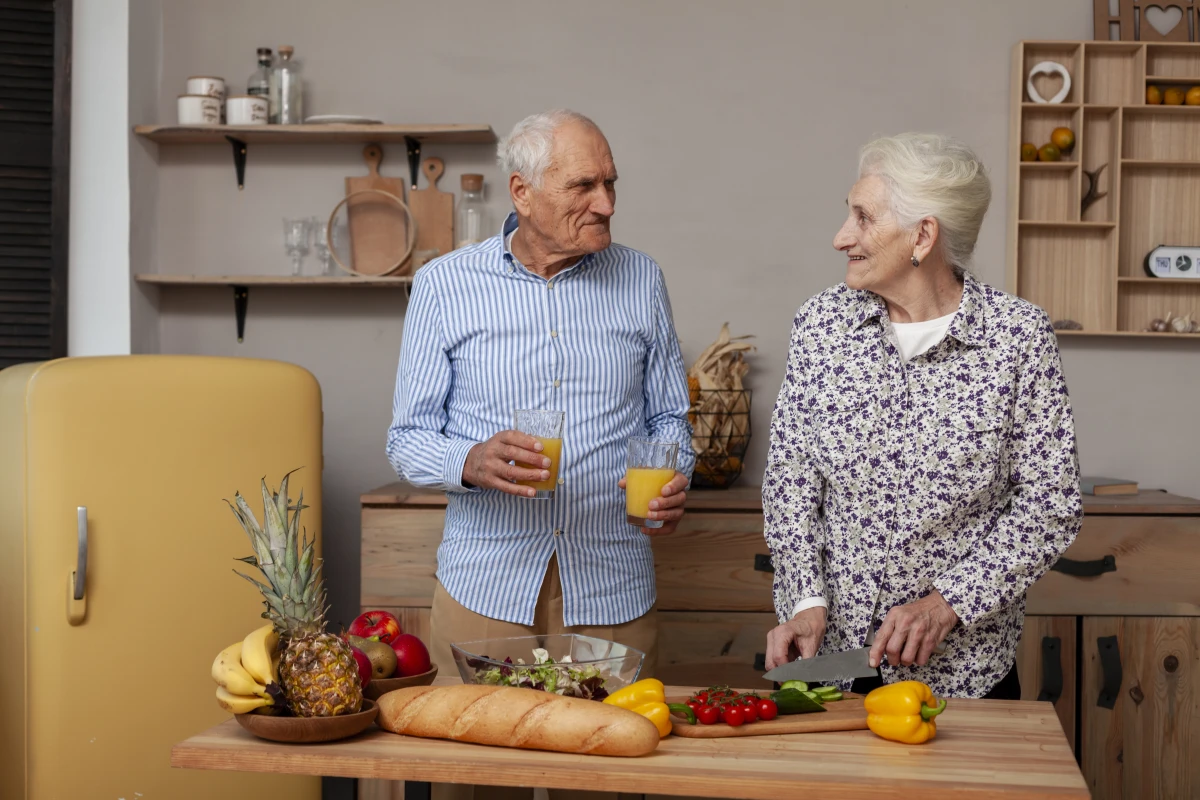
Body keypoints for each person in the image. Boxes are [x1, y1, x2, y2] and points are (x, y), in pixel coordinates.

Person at [386, 109, 694, 798]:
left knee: (606, 786)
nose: (606, 204)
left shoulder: (641, 279)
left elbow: (669, 417)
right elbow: (406, 439)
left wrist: (676, 474)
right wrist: (471, 461)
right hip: (485, 587)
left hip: (611, 585)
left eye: (611, 184)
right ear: (522, 192)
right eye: (584, 186)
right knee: (478, 785)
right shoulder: (444, 285)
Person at [761, 132, 1083, 700]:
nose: (841, 237)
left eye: (863, 218)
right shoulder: (821, 325)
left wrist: (946, 604)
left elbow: (1050, 506)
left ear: (923, 235)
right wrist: (806, 600)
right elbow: (792, 478)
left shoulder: (1017, 338)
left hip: (962, 678)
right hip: (831, 665)